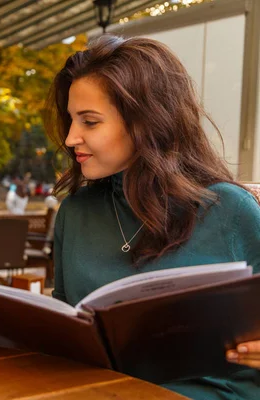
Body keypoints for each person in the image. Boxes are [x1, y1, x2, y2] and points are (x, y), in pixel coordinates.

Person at [45, 35, 260, 399]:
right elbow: (67, 324)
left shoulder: (230, 210)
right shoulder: (74, 213)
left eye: (90, 121)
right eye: (70, 120)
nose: (70, 138)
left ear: (146, 122)